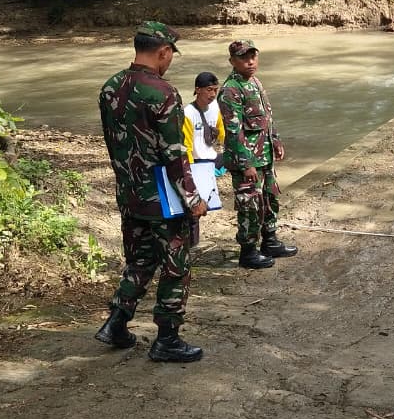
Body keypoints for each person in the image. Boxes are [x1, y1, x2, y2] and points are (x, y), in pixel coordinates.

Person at [95, 21, 208, 363]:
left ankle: (116, 323)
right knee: (176, 265)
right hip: (163, 200)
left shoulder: (110, 86)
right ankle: (167, 339)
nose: (170, 60)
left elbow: (115, 144)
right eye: (171, 54)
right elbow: (174, 154)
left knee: (140, 260)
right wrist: (193, 198)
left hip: (129, 194)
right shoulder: (163, 92)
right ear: (163, 51)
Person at [218, 39, 298, 269]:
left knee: (270, 198)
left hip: (265, 154)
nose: (250, 62)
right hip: (248, 160)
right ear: (232, 61)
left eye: (253, 56)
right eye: (244, 58)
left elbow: (267, 117)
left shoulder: (254, 82)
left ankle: (270, 241)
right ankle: (248, 251)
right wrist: (246, 164)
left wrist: (276, 140)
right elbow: (233, 132)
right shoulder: (230, 90)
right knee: (249, 205)